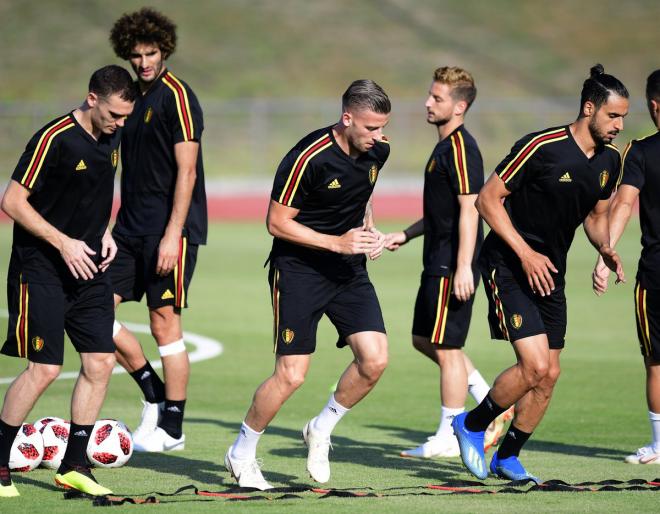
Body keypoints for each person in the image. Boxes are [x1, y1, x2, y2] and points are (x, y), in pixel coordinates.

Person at [452, 64, 628, 481]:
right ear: (589, 108)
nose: (620, 125)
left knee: (549, 375)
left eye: (623, 117)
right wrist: (526, 254)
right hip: (509, 264)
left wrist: (605, 248)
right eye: (613, 116)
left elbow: (596, 214)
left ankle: (508, 456)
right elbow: (487, 201)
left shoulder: (610, 161)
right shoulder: (541, 146)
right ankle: (472, 424)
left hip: (551, 271)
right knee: (533, 365)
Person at [224, 80, 391, 490]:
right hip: (299, 271)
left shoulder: (378, 152)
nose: (379, 137)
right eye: (370, 128)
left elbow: (360, 195)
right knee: (292, 375)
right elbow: (276, 223)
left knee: (375, 360)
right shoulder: (308, 157)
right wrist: (337, 241)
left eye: (384, 127)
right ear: (346, 118)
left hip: (348, 269)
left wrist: (369, 231)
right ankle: (241, 452)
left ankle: (321, 428)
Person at [0, 66, 136, 498]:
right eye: (115, 114)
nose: (120, 123)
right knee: (45, 368)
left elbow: (93, 193)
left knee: (101, 362)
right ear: (92, 98)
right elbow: (12, 201)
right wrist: (63, 243)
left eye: (126, 116)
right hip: (39, 268)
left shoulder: (112, 137)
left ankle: (74, 465)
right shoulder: (53, 139)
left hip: (90, 268)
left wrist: (106, 232)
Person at [384, 66, 512, 459]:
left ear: (459, 107)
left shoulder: (460, 148)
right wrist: (404, 235)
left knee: (447, 346)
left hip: (451, 265)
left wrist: (462, 267)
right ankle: (492, 402)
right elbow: (442, 212)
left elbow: (470, 210)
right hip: (435, 260)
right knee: (424, 340)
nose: (427, 102)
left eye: (437, 98)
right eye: (430, 94)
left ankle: (449, 433)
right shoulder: (444, 146)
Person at [108, 7, 207, 452]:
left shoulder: (179, 97)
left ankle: (172, 427)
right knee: (91, 312)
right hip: (127, 228)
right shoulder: (129, 98)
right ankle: (152, 392)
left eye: (151, 53)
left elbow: (186, 173)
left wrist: (173, 235)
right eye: (136, 55)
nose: (144, 62)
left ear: (164, 50)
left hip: (170, 232)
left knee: (163, 323)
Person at [593, 69, 660, 465]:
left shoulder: (640, 151)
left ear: (654, 106)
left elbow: (622, 204)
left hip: (656, 275)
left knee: (656, 361)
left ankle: (658, 446)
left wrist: (606, 251)